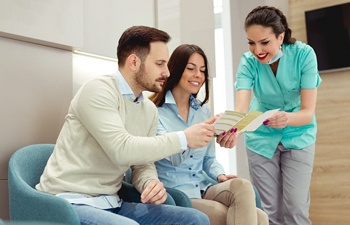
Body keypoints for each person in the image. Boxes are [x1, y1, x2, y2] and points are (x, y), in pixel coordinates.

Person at [35, 26, 214, 225]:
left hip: (113, 203)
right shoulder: (98, 91)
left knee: (194, 219)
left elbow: (142, 163)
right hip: (69, 203)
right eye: (160, 64)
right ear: (134, 62)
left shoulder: (148, 110)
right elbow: (122, 149)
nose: (167, 72)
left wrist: (149, 183)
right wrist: (184, 138)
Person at [149, 44, 269, 225]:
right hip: (176, 193)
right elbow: (172, 157)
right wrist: (195, 134)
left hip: (204, 187)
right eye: (191, 68)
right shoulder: (154, 112)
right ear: (176, 69)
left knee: (243, 186)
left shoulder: (203, 111)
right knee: (258, 218)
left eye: (202, 70)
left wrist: (219, 175)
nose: (198, 75)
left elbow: (208, 159)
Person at [233, 6, 322, 225]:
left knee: (296, 208)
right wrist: (231, 127)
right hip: (261, 136)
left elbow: (307, 112)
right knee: (267, 211)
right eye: (251, 43)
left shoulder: (304, 55)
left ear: (280, 36)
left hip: (298, 134)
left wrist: (286, 119)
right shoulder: (248, 61)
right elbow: (241, 108)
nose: (257, 50)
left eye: (264, 42)